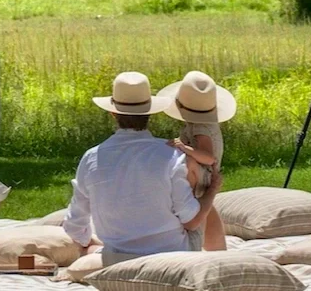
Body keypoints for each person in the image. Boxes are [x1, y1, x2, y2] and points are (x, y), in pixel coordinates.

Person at [63, 71, 223, 264]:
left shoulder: (91, 158)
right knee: (204, 205)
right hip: (171, 258)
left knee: (92, 248)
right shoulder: (173, 155)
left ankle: (97, 253)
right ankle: (221, 258)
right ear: (150, 113)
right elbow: (192, 221)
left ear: (113, 113)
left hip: (117, 258)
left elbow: (74, 226)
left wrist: (86, 241)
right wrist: (212, 191)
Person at [158, 70, 235, 251]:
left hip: (202, 173)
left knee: (196, 207)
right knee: (207, 208)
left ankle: (190, 237)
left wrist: (185, 149)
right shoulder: (202, 125)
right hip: (203, 175)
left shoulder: (201, 128)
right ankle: (217, 248)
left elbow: (208, 158)